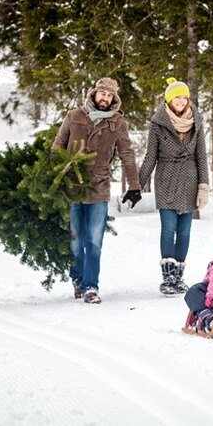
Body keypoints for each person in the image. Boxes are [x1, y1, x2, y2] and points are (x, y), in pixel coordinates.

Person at [52, 77, 142, 304]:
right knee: (75, 240)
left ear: (114, 98)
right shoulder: (74, 116)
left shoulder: (117, 122)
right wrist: (52, 179)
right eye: (102, 93)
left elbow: (127, 154)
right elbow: (57, 146)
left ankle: (91, 287)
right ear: (93, 94)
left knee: (93, 241)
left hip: (99, 187)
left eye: (109, 95)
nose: (105, 98)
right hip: (72, 186)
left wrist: (134, 186)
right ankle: (78, 280)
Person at [138, 77, 210, 295]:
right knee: (169, 229)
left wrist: (203, 186)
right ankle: (167, 278)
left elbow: (201, 156)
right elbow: (151, 156)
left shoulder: (196, 121)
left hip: (190, 179)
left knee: (185, 231)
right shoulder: (157, 123)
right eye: (176, 96)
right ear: (169, 100)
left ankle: (178, 277)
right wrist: (137, 185)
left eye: (184, 97)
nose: (181, 100)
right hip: (166, 179)